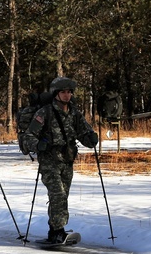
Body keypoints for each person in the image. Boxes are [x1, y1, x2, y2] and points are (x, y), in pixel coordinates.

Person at [21, 76, 99, 243]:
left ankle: (53, 229)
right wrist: (39, 145)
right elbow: (29, 136)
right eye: (63, 92)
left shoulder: (74, 113)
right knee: (58, 195)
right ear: (56, 93)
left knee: (63, 196)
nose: (66, 95)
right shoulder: (45, 112)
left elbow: (83, 132)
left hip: (67, 160)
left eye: (69, 92)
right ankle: (58, 231)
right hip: (50, 161)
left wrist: (91, 138)